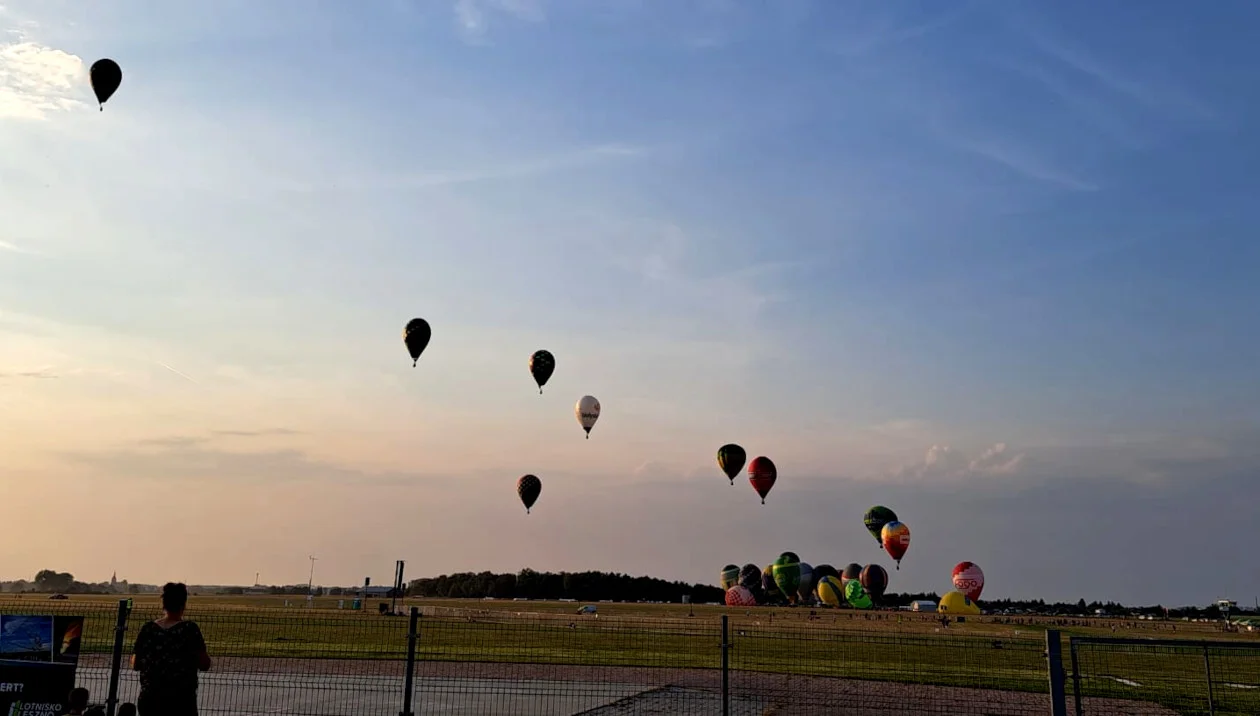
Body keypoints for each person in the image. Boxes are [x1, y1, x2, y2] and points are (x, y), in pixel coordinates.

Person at [131, 582, 211, 715]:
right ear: (183, 605)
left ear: (164, 604)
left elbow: (136, 664)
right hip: (181, 700)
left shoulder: (148, 629)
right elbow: (204, 664)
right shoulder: (189, 629)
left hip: (150, 698)